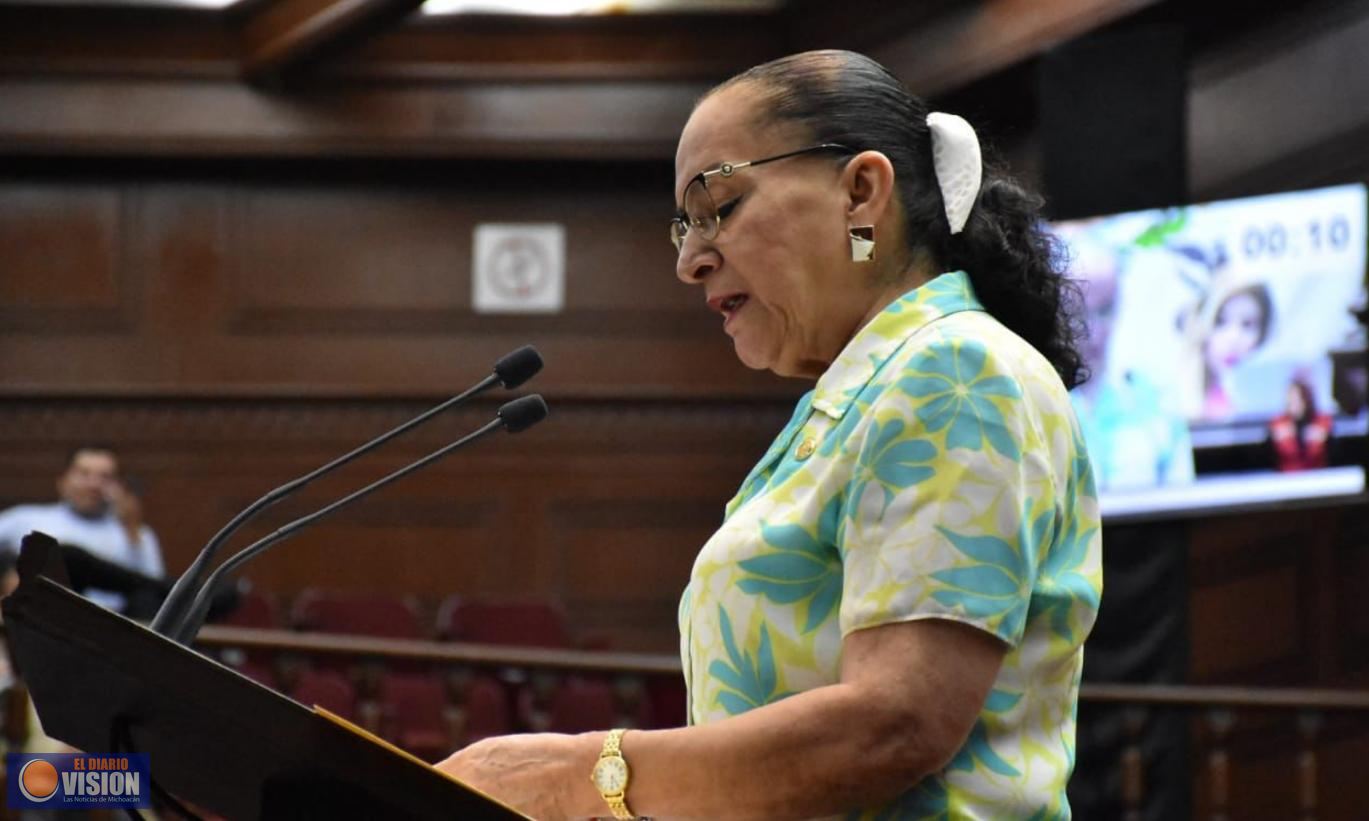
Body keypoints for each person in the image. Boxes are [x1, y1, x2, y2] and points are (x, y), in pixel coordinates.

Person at [438, 49, 1102, 819]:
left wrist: (578, 774)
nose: (690, 259)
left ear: (861, 192)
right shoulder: (857, 397)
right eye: (681, 227)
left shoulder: (953, 367)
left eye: (718, 205)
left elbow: (897, 722)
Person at [1066, 228, 1194, 490]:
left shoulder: (1158, 401)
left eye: (1104, 310)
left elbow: (1185, 509)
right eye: (1077, 313)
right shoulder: (1034, 403)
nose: (1093, 332)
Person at [0, 445, 165, 615]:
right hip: (49, 617)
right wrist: (7, 573)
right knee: (67, 557)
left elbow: (153, 589)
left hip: (114, 625)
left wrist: (132, 532)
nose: (93, 484)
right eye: (84, 474)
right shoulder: (25, 518)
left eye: (105, 477)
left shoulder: (135, 532)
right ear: (62, 481)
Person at [1184, 277, 1274, 421]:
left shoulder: (1269, 396)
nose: (1234, 338)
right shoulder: (1179, 396)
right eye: (1220, 322)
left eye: (1247, 324)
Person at [1268, 377, 1335, 471]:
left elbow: (1330, 454)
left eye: (1298, 399)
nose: (1294, 404)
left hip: (1318, 476)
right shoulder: (1277, 424)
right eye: (1291, 399)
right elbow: (1271, 457)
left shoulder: (1322, 422)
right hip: (1286, 478)